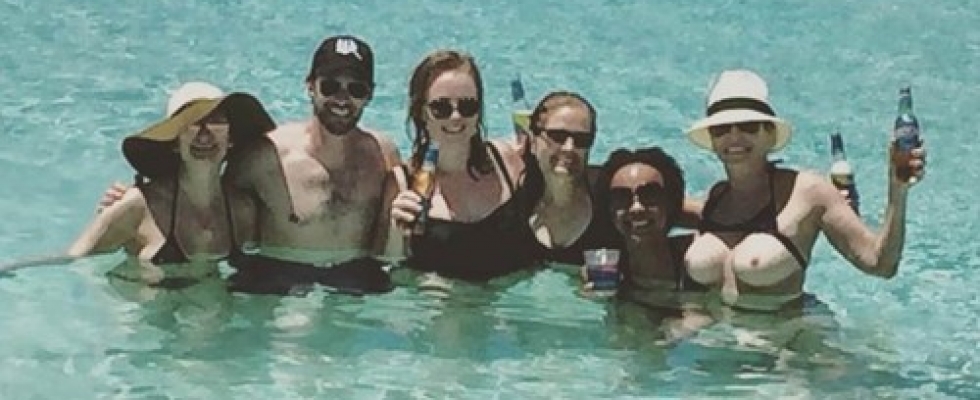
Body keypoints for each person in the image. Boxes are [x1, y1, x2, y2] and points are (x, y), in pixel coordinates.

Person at [1, 82, 274, 317]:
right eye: (192, 123)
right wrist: (10, 269)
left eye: (216, 121)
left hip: (209, 312)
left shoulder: (242, 209)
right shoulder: (140, 206)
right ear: (174, 141)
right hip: (144, 318)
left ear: (231, 138)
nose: (205, 133)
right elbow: (73, 258)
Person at [682, 69, 927, 312]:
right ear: (712, 140)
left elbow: (881, 265)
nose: (734, 136)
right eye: (721, 129)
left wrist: (897, 191)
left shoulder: (808, 192)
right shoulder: (717, 197)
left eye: (748, 126)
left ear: (769, 134)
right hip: (719, 334)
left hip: (789, 336)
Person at [221, 35, 400, 296]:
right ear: (310, 86)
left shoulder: (383, 155)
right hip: (282, 279)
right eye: (330, 86)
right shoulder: (267, 156)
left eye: (356, 89)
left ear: (370, 94)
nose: (342, 99)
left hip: (356, 281)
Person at [381, 49, 533, 283]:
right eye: (441, 108)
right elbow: (389, 268)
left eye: (467, 106)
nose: (455, 117)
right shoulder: (402, 184)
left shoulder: (506, 161)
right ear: (421, 113)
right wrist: (395, 231)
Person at [588, 147, 712, 343]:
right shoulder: (607, 267)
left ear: (670, 203)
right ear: (609, 210)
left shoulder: (697, 256)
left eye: (650, 194)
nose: (636, 207)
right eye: (621, 197)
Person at [517, 91, 621, 266]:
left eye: (582, 139)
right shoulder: (511, 198)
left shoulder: (610, 195)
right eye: (557, 136)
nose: (569, 148)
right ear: (533, 140)